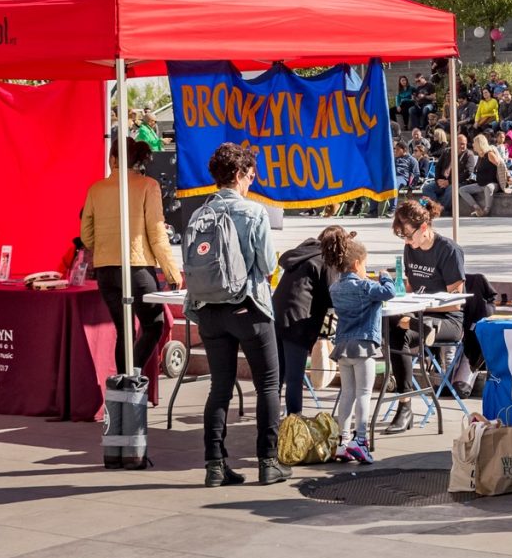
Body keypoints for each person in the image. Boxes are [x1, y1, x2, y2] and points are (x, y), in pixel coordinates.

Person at [185, 142, 284, 486]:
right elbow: (268, 264)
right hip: (248, 308)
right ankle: (268, 462)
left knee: (220, 388)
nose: (252, 181)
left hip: (208, 311)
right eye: (251, 175)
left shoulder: (198, 215)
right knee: (268, 385)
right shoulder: (254, 213)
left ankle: (215, 465)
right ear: (240, 175)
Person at [81, 140, 180, 378]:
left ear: (113, 159)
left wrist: (104, 246)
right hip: (138, 269)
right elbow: (157, 233)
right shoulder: (148, 185)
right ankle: (132, 378)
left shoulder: (96, 189)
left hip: (106, 271)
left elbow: (86, 235)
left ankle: (121, 391)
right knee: (153, 326)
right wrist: (172, 272)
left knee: (123, 331)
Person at [384, 198, 470, 413]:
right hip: (418, 317)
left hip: (448, 320)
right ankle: (404, 404)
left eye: (408, 235)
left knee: (399, 328)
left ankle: (404, 406)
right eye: (401, 237)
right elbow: (413, 287)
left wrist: (423, 306)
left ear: (424, 228)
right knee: (391, 326)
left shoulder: (449, 250)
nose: (406, 241)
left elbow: (456, 303)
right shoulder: (410, 249)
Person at [269, 223, 348, 418]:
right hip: (298, 322)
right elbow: (333, 296)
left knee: (276, 377)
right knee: (295, 378)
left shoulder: (302, 255)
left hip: (275, 316)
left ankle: (269, 421)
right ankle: (295, 423)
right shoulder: (325, 261)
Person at [325, 233, 392, 464]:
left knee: (347, 393)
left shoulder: (335, 289)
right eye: (365, 264)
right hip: (364, 345)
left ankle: (343, 442)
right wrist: (385, 278)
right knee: (364, 393)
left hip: (343, 346)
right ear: (356, 264)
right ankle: (360, 439)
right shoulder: (366, 287)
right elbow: (389, 293)